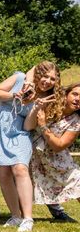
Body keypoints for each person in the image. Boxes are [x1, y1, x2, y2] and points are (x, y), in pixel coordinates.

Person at [0, 61, 65, 232]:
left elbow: (28, 127)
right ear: (38, 74)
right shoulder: (20, 78)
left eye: (52, 79)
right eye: (45, 76)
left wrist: (36, 108)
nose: (47, 81)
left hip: (20, 132)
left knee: (20, 169)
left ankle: (27, 218)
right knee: (3, 173)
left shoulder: (47, 100)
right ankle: (15, 215)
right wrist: (15, 95)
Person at [24, 82, 80, 222]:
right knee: (35, 184)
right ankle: (21, 216)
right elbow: (29, 123)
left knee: (77, 181)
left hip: (58, 159)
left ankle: (58, 213)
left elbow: (59, 146)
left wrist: (43, 126)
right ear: (67, 94)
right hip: (34, 154)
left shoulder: (76, 121)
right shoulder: (50, 105)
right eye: (75, 94)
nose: (78, 99)